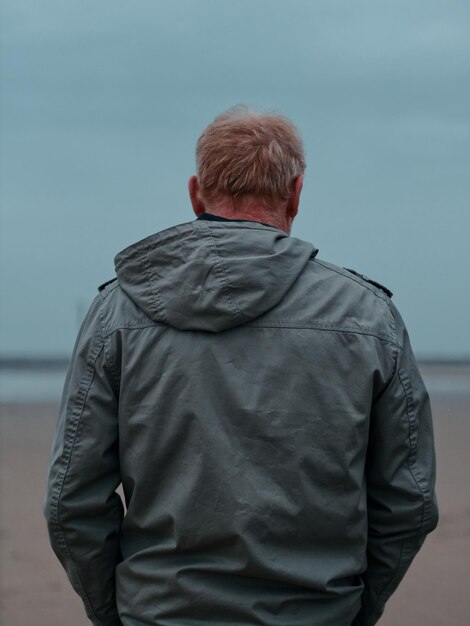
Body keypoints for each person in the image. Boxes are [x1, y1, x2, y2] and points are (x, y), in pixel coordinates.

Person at [44, 105, 438, 626]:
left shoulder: (117, 314)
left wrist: (113, 613)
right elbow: (408, 502)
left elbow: (71, 501)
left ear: (196, 193)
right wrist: (354, 610)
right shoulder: (367, 317)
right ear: (296, 194)